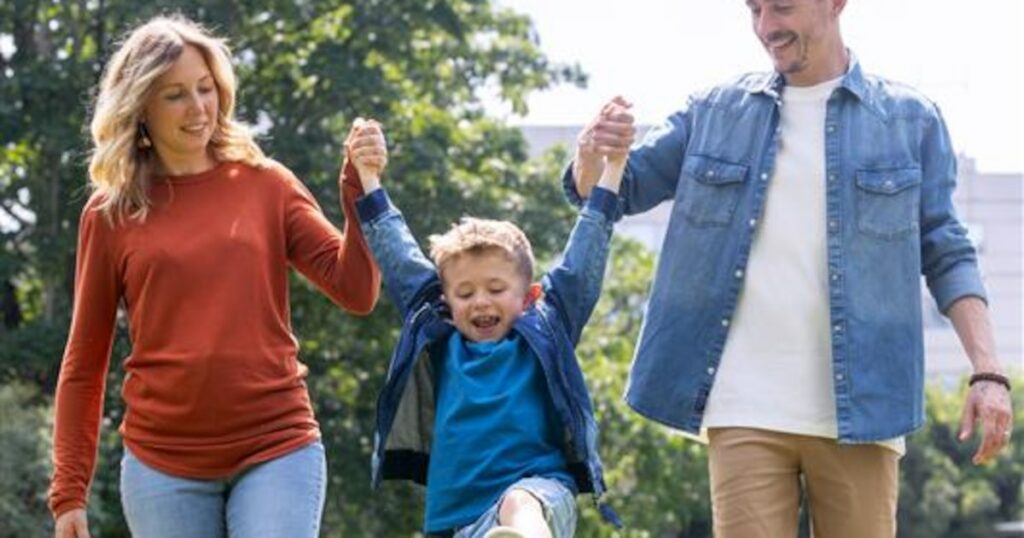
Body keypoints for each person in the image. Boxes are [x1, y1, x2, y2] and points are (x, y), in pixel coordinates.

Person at [565, 1, 1013, 536]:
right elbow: (617, 190)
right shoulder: (713, 112)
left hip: (864, 408)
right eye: (754, 9)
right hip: (743, 404)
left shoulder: (909, 120)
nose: (766, 27)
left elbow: (947, 250)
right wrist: (591, 155)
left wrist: (987, 371)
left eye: (782, 6)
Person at [49, 15, 380, 538]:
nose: (199, 108)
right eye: (176, 95)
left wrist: (359, 194)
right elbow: (84, 361)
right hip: (163, 465)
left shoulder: (266, 184)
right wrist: (68, 491)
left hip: (277, 446)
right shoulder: (111, 213)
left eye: (206, 89)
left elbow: (356, 290)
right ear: (140, 109)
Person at [345, 114, 628, 537]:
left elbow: (584, 257)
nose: (480, 301)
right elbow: (398, 254)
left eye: (496, 289)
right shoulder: (438, 336)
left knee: (518, 502)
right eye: (465, 293)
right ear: (446, 301)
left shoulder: (548, 327)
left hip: (539, 495)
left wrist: (615, 168)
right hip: (453, 521)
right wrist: (368, 177)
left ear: (529, 297)